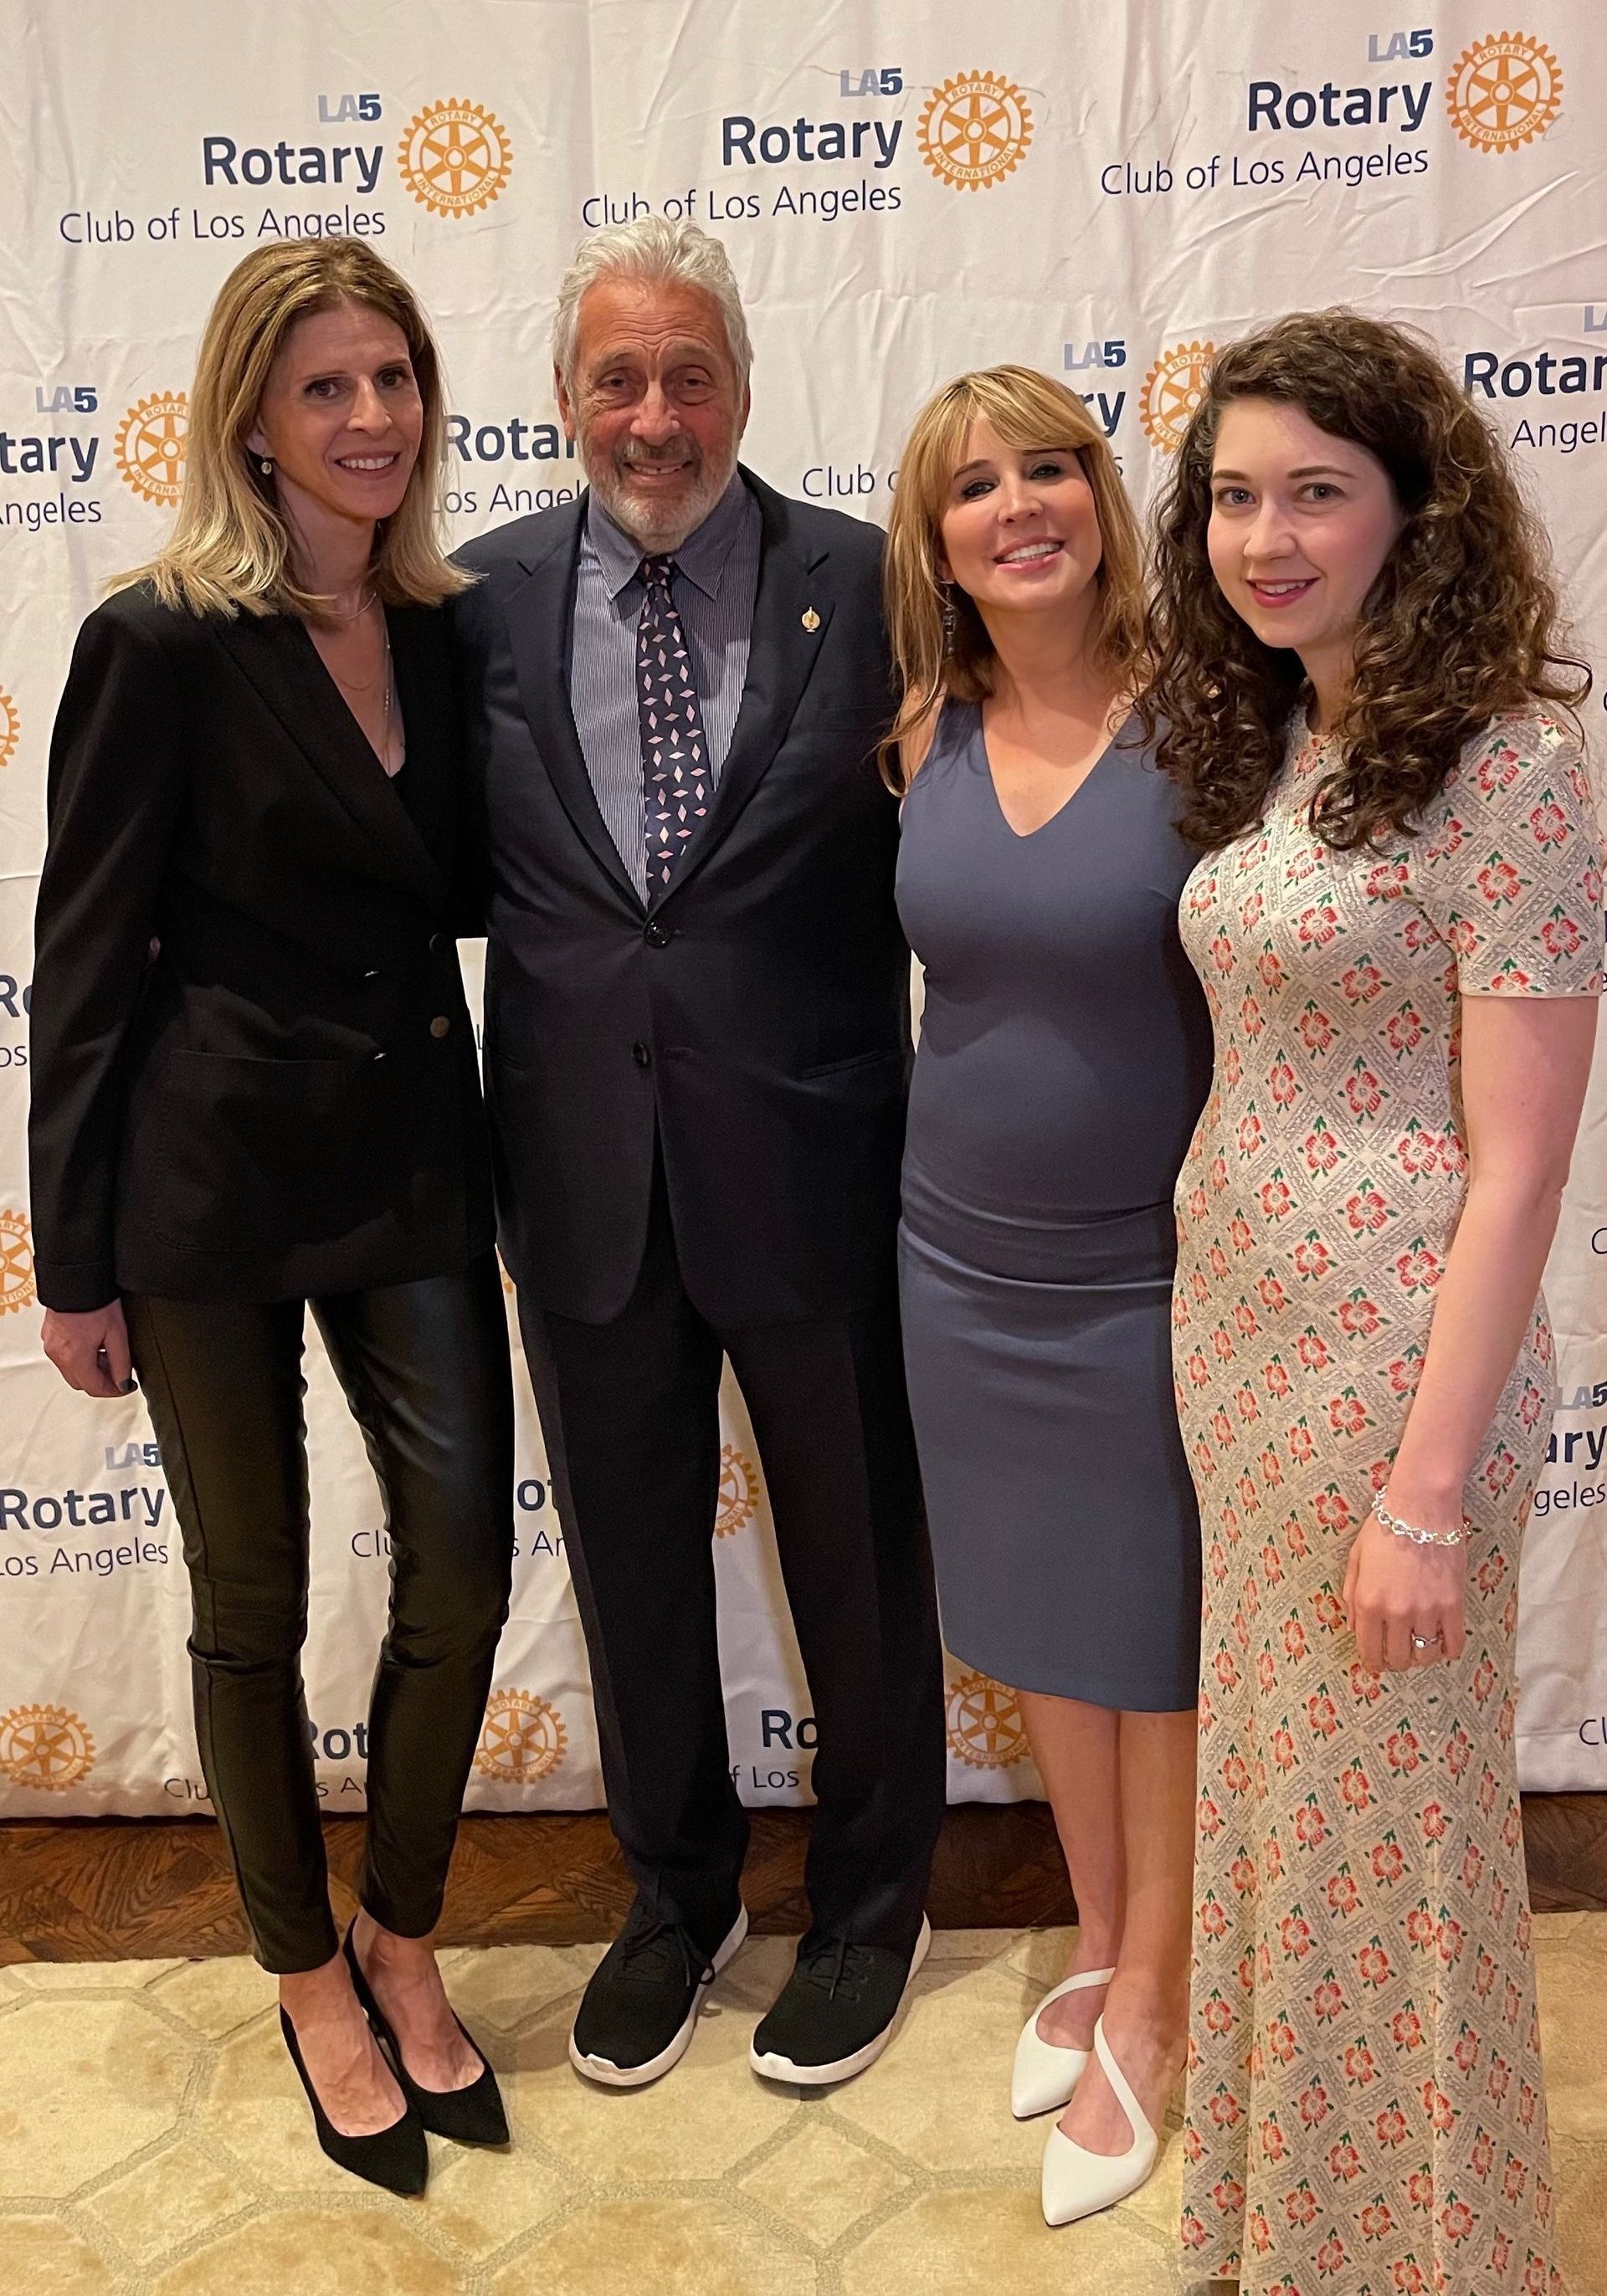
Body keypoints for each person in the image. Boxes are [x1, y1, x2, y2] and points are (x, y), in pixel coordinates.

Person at [28, 239, 515, 2196]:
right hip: (206, 1187)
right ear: (251, 414)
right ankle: (305, 1968)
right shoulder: (158, 638)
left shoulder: (452, 626)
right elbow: (83, 962)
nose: (372, 417)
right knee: (249, 1607)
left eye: (395, 376)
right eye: (327, 387)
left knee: (464, 1563)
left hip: (410, 1164)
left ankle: (401, 1927)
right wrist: (72, 1255)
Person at [452, 215, 947, 2092]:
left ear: (741, 381)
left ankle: (871, 1904)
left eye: (687, 375)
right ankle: (675, 1896)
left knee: (862, 1564)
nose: (652, 416)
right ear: (567, 398)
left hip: (819, 1168)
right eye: (614, 379)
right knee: (635, 1566)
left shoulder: (877, 580)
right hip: (579, 1181)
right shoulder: (475, 601)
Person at [1144, 310, 1599, 2296]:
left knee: (1391, 1860)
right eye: (1237, 494)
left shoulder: (1517, 767)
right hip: (1239, 1358)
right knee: (1285, 1827)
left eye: (1317, 491)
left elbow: (1523, 1168)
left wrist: (1424, 1490)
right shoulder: (1285, 733)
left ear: (1419, 510)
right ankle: (1277, 2235)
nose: (1268, 534)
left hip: (1391, 1383)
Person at [882, 366, 1214, 2227]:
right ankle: (1097, 1934)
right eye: (976, 485)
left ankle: (1155, 2008)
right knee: (1041, 1629)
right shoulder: (919, 726)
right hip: (957, 1258)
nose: (1022, 505)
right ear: (938, 540)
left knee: (1153, 1649)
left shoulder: (1214, 715)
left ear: (1103, 494)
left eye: (1053, 469)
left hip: (1152, 1270)